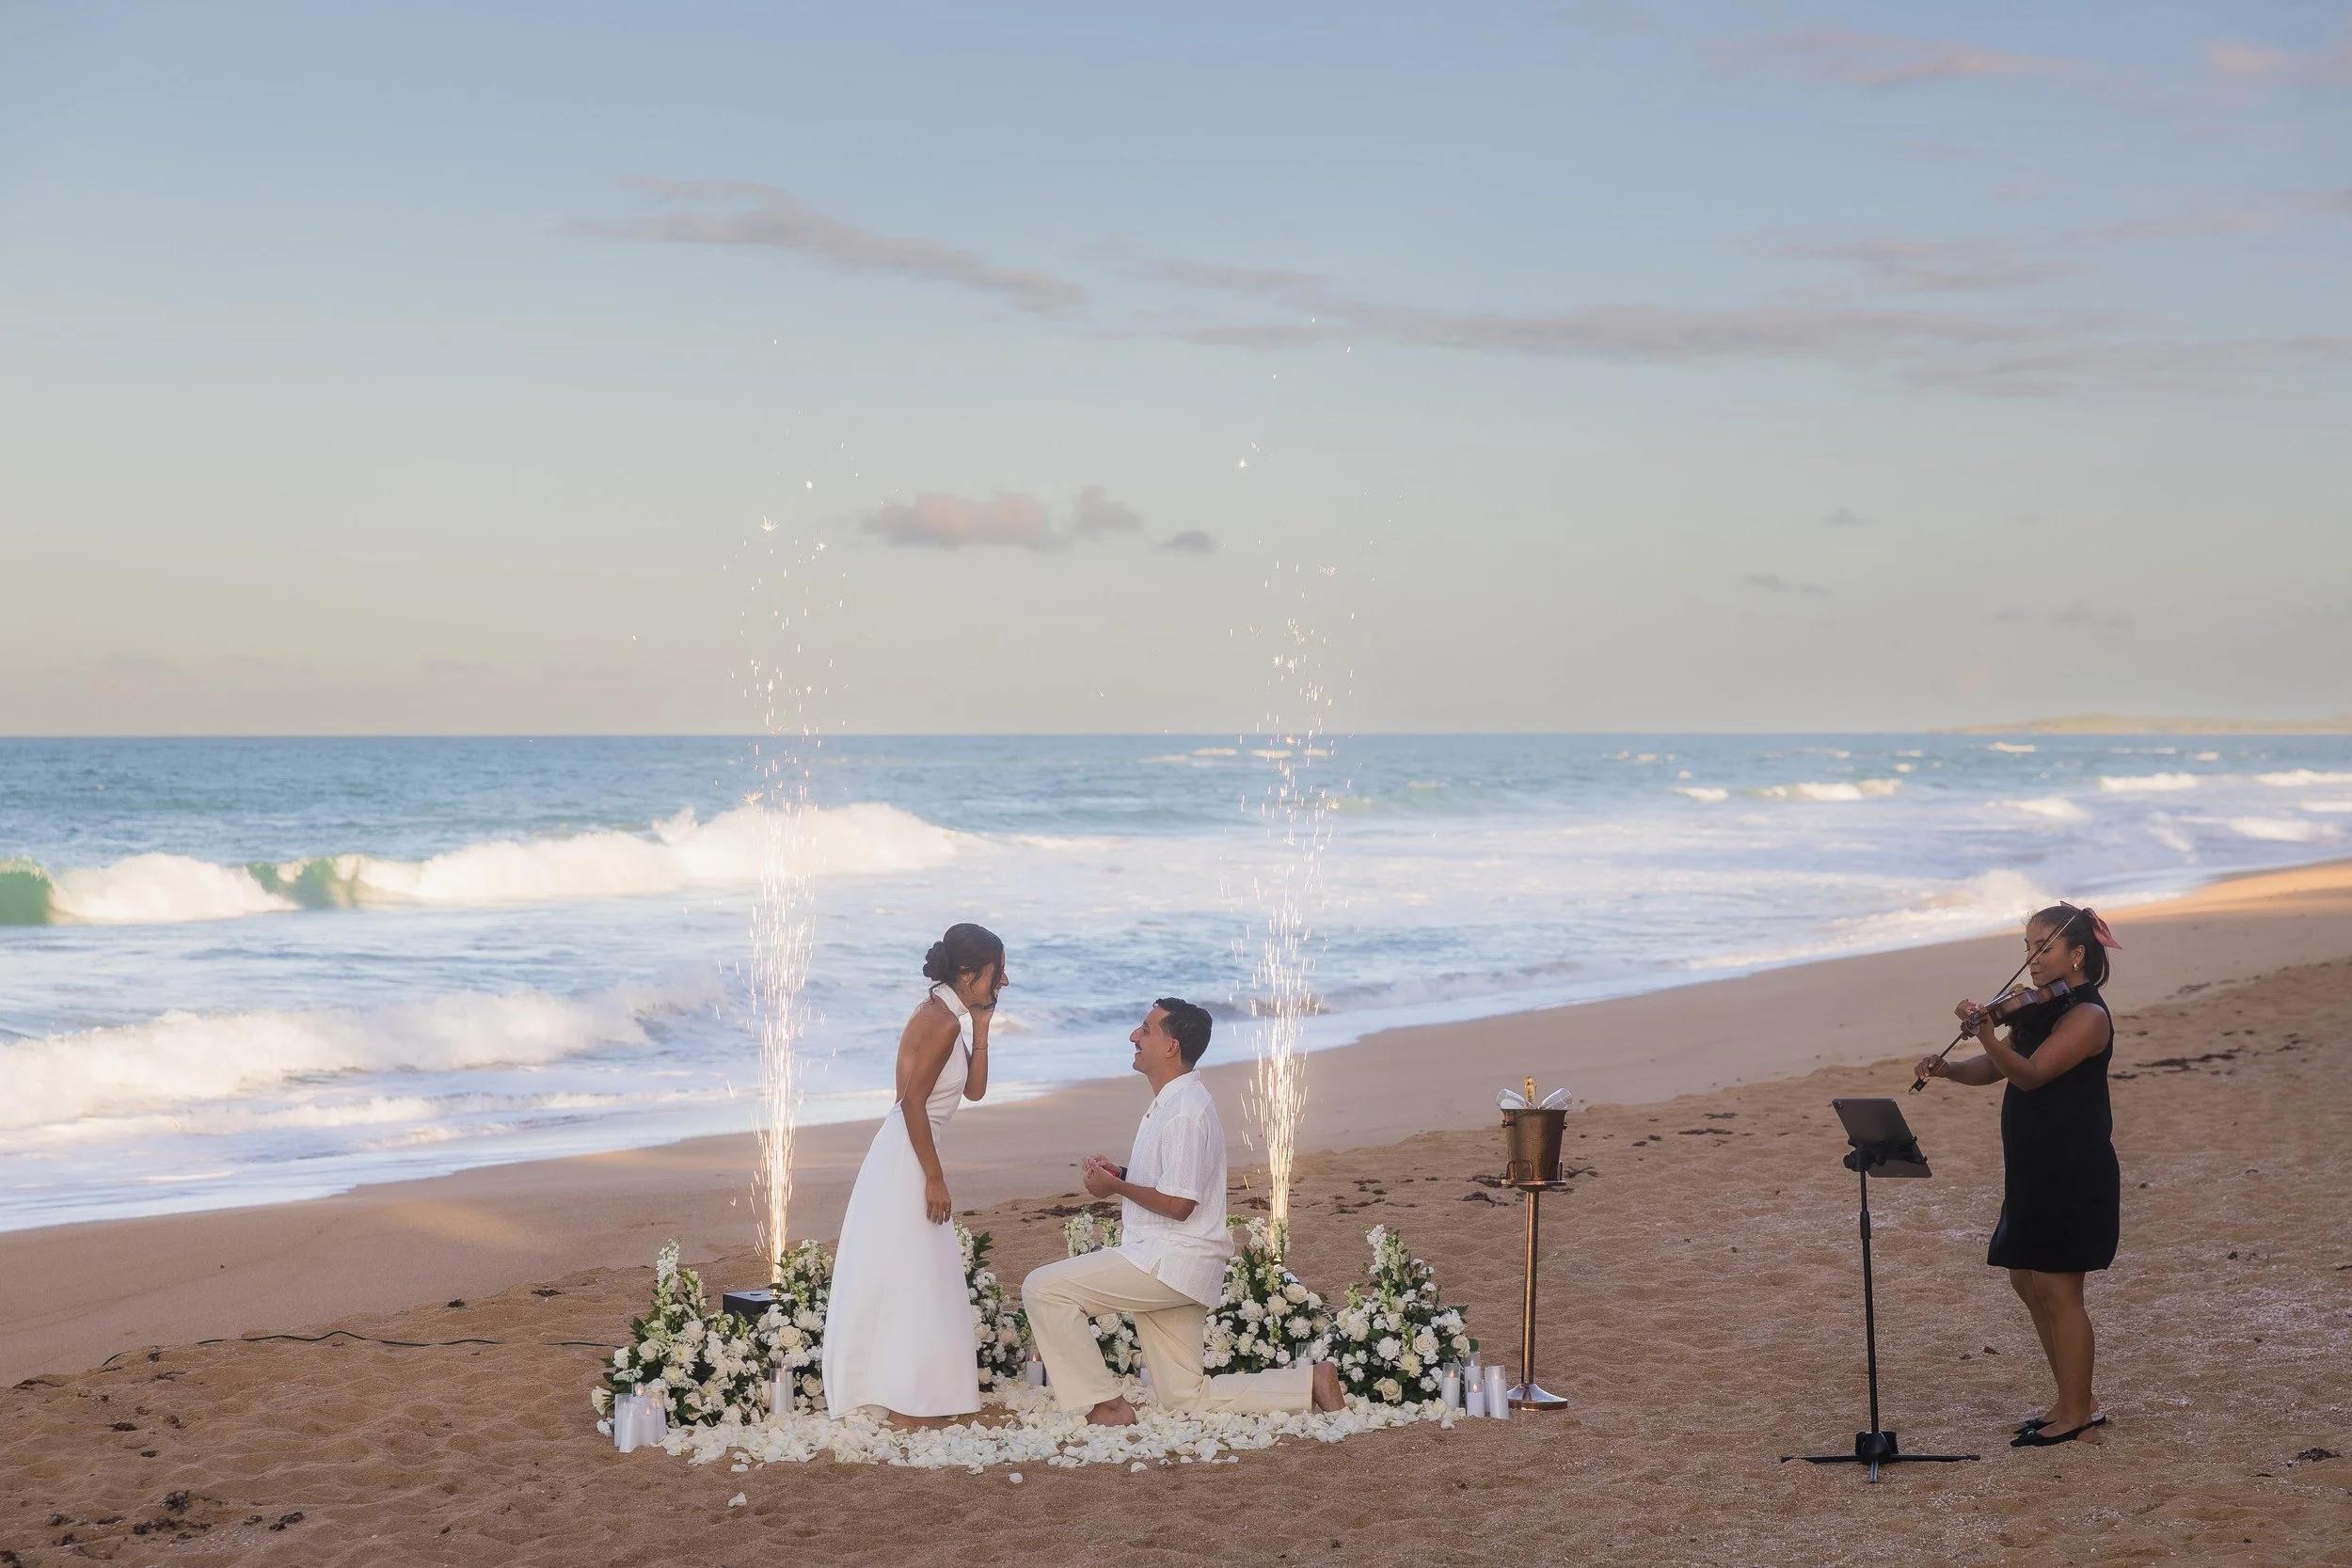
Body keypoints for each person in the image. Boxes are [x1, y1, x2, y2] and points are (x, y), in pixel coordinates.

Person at [1022, 997, 1343, 1424]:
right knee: (1185, 1398)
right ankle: (1310, 1384)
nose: (1134, 1036)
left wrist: (1114, 1186)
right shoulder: (1174, 1102)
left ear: (1171, 1047)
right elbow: (1174, 1179)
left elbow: (1179, 1205)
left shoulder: (1187, 1110)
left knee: (1043, 1288)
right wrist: (1119, 1172)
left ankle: (1107, 1405)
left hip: (1169, 1261)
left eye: (1146, 1029)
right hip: (1173, 1260)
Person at [1915, 901, 2121, 1448]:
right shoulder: (2036, 1010)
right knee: (2027, 1279)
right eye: (2027, 947)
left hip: (2071, 1166)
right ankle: (2072, 1399)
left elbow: (2028, 1076)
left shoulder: (2087, 1016)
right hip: (2033, 1162)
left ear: (2077, 954)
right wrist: (1950, 1069)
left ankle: (2077, 1411)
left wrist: (1982, 1033)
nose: (2030, 959)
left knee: (2059, 1288)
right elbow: (1999, 1065)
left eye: (2043, 947)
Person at [821, 922, 1006, 1426]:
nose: (1004, 983)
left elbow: (974, 1091)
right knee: (916, 1275)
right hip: (910, 1152)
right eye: (998, 972)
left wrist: (983, 1029)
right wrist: (934, 1176)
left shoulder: (947, 1015)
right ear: (969, 974)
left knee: (913, 1273)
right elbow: (912, 1104)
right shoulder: (942, 1022)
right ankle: (908, 1401)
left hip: (903, 1150)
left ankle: (907, 1395)